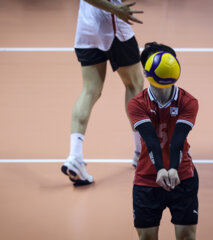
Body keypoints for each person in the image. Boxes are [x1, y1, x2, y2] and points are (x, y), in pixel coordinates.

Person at [61, 0, 145, 185]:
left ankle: (74, 157)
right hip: (111, 22)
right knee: (135, 84)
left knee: (90, 90)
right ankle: (141, 152)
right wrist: (115, 9)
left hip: (86, 25)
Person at [128, 42, 199, 240]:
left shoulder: (188, 102)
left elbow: (178, 140)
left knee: (186, 237)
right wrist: (160, 168)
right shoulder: (137, 104)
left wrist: (173, 168)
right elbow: (150, 140)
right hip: (147, 178)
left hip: (183, 176)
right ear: (146, 71)